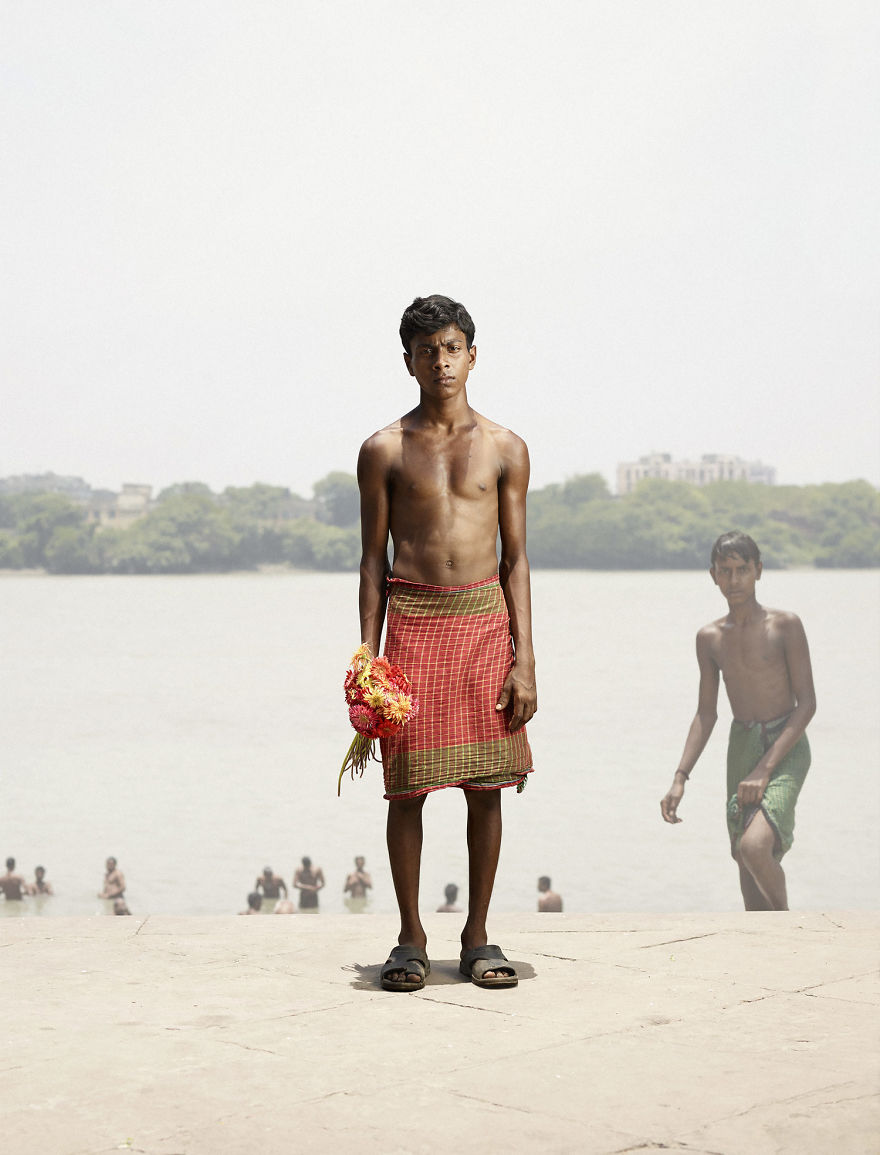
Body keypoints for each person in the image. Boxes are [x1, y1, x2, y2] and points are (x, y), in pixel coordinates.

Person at [358, 294, 537, 991]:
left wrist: (525, 658)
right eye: (427, 349)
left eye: (452, 346)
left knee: (485, 788)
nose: (441, 360)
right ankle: (410, 937)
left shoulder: (505, 446)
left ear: (472, 353)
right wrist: (367, 660)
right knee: (407, 791)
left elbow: (516, 558)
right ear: (408, 360)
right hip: (413, 623)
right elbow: (373, 559)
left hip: (484, 622)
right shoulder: (384, 449)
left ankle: (478, 935)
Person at [660, 532, 816, 911]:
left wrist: (765, 769)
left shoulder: (785, 626)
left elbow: (807, 705)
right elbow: (706, 713)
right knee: (744, 865)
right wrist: (680, 777)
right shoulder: (710, 638)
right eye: (725, 571)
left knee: (755, 846)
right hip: (742, 744)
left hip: (786, 744)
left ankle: (791, 927)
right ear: (713, 575)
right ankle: (766, 957)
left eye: (743, 570)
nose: (734, 580)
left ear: (758, 571)